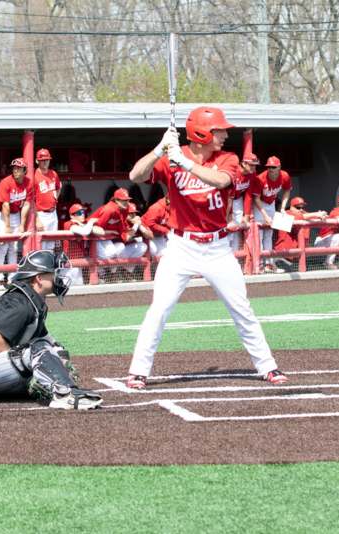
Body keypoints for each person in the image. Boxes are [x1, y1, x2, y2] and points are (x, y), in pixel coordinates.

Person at [125, 106, 288, 389]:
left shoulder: (227, 158)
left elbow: (222, 180)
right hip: (180, 247)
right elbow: (135, 176)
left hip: (217, 247)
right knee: (159, 309)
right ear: (201, 133)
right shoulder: (172, 156)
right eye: (218, 130)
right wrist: (160, 149)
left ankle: (268, 366)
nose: (224, 135)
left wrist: (185, 164)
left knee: (241, 309)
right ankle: (138, 371)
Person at [0, 250, 102, 410]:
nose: (58, 277)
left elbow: (47, 341)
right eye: (53, 273)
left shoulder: (32, 299)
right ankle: (65, 395)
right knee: (36, 351)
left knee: (53, 352)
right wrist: (20, 362)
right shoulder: (20, 303)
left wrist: (60, 362)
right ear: (39, 278)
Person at [87, 187, 147, 279]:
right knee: (108, 254)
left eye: (127, 200)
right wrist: (110, 231)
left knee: (118, 249)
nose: (126, 202)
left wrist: (135, 224)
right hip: (93, 238)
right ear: (116, 200)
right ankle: (98, 274)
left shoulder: (125, 209)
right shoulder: (109, 209)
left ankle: (109, 274)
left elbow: (123, 232)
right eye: (123, 200)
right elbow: (96, 228)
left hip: (106, 238)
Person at [0, 158, 32, 290]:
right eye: (14, 168)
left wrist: (22, 225)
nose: (15, 170)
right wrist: (7, 226)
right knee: (3, 245)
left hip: (15, 213)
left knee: (14, 247)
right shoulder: (6, 182)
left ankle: (12, 278)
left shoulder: (28, 183)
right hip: (1, 214)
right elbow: (5, 205)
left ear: (25, 170)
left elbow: (26, 205)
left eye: (19, 168)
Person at [251, 156, 292, 273]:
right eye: (269, 167)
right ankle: (258, 265)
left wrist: (282, 208)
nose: (270, 169)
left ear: (279, 167)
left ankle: (268, 264)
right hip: (259, 205)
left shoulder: (285, 176)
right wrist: (265, 216)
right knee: (259, 235)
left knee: (269, 234)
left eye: (273, 167)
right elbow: (256, 199)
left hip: (271, 202)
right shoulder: (261, 178)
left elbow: (287, 191)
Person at [273, 196, 326, 270]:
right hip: (280, 256)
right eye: (298, 207)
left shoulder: (301, 214)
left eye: (302, 208)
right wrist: (315, 214)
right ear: (291, 207)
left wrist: (321, 215)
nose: (301, 210)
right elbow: (298, 217)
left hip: (289, 257)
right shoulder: (285, 215)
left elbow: (308, 216)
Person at [62, 203, 104, 287]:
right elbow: (85, 232)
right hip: (69, 263)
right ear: (72, 216)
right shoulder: (68, 224)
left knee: (79, 286)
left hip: (80, 262)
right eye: (79, 213)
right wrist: (91, 222)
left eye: (83, 212)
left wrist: (88, 225)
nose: (82, 215)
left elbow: (101, 232)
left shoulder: (84, 225)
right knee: (67, 287)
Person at [32, 148, 62, 253]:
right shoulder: (34, 175)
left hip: (53, 213)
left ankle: (49, 263)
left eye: (47, 160)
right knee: (40, 244)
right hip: (41, 214)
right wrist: (37, 220)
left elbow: (58, 187)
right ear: (37, 161)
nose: (45, 162)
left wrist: (54, 199)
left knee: (51, 244)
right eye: (42, 160)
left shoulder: (53, 173)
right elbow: (31, 201)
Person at [229, 153, 259, 251]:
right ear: (244, 163)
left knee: (237, 228)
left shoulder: (252, 174)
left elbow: (248, 195)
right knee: (227, 228)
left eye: (255, 165)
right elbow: (228, 197)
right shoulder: (234, 172)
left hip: (237, 199)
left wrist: (246, 215)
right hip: (225, 201)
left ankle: (235, 255)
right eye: (251, 165)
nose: (254, 167)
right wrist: (228, 215)